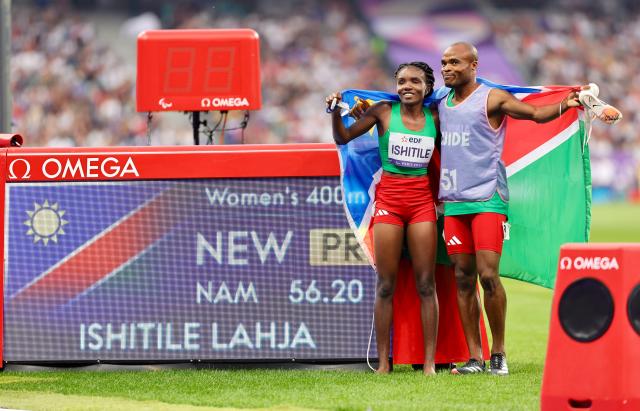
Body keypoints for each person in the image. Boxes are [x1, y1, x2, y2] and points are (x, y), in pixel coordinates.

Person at [438, 42, 619, 375]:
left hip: (488, 199)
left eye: (454, 62)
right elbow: (402, 99)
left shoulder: (492, 98)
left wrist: (569, 101)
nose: (446, 68)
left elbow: (535, 114)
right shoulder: (441, 100)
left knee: (488, 275)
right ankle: (474, 358)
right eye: (443, 62)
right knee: (463, 279)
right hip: (453, 202)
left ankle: (499, 355)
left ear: (474, 64)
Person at [326, 62, 440, 375]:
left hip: (421, 207)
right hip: (389, 204)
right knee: (386, 285)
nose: (407, 86)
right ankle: (383, 363)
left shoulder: (437, 118)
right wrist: (335, 110)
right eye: (402, 81)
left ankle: (429, 364)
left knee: (426, 285)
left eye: (415, 81)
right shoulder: (383, 112)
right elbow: (344, 137)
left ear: (426, 87)